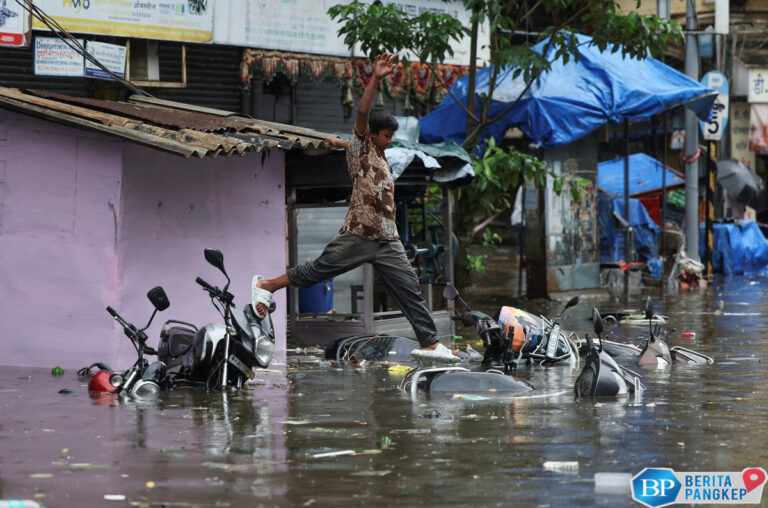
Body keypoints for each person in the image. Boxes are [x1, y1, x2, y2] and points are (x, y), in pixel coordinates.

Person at [251, 53, 458, 363]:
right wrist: (375, 78)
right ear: (372, 134)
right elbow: (362, 113)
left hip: (387, 240)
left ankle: (429, 342)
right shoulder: (362, 147)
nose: (390, 141)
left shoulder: (373, 153)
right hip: (360, 234)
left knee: (409, 288)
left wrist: (340, 143)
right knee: (319, 270)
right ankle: (266, 285)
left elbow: (349, 145)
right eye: (386, 136)